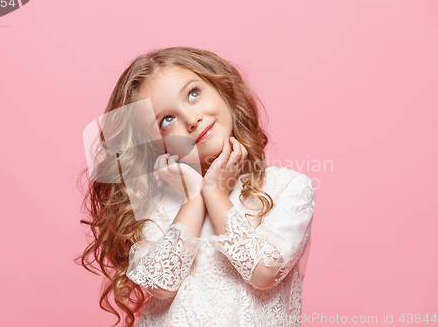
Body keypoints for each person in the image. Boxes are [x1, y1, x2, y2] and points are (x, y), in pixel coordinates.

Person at [77, 47, 316, 327]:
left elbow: (264, 272)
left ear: (223, 89)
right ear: (155, 146)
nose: (191, 120)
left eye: (193, 94)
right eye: (167, 120)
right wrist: (193, 197)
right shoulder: (158, 209)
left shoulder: (286, 187)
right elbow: (160, 284)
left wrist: (214, 192)